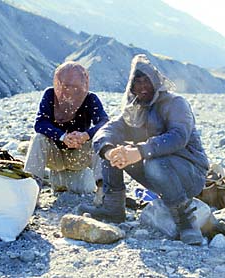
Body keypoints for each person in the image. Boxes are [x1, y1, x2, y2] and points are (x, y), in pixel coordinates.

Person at [78, 54, 209, 245]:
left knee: (153, 162)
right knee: (116, 150)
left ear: (156, 81)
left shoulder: (175, 103)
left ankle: (186, 219)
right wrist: (110, 151)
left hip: (189, 174)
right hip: (156, 173)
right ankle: (114, 208)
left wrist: (139, 151)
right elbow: (108, 130)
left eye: (146, 80)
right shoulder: (135, 109)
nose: (142, 86)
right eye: (137, 82)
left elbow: (178, 137)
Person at [24, 61, 109, 193]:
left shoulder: (90, 99)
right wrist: (62, 137)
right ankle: (30, 192)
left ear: (83, 85)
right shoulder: (50, 96)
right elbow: (40, 123)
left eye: (74, 87)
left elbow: (104, 123)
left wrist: (85, 136)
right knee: (38, 138)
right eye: (64, 86)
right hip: (56, 155)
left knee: (102, 139)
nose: (68, 92)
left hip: (79, 154)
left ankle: (104, 193)